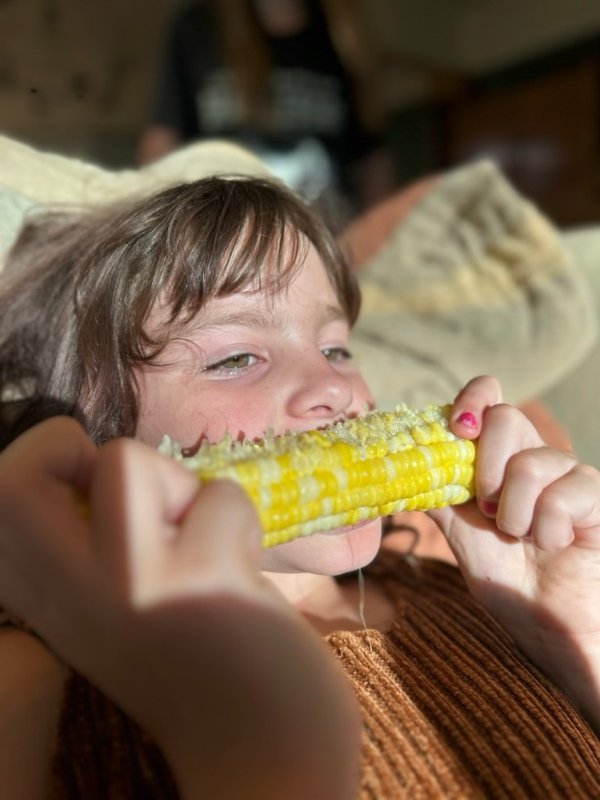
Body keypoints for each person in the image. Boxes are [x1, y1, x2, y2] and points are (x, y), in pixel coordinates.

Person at [1, 175, 600, 797]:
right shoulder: (36, 685)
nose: (335, 389)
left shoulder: (465, 588)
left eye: (337, 348)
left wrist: (582, 641)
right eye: (234, 359)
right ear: (93, 433)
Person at [138, 0, 395, 220]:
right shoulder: (197, 27)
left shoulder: (344, 38)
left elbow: (371, 160)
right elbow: (161, 143)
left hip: (329, 238)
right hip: (221, 234)